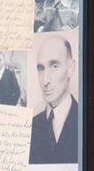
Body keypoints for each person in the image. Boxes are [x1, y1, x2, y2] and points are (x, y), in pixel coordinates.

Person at [28, 31, 79, 163]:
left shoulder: (86, 119)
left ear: (71, 68)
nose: (45, 81)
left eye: (54, 66)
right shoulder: (30, 126)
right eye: (41, 68)